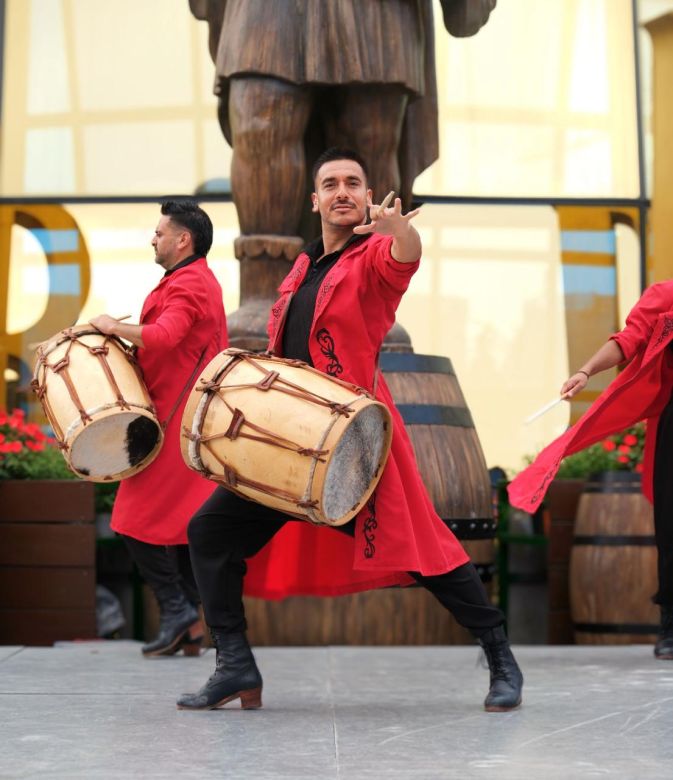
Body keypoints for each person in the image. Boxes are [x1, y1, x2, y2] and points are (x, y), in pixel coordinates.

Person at [177, 148, 523, 712]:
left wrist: (399, 235)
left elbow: (403, 261)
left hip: (353, 445)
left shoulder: (374, 258)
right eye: (331, 183)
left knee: (420, 551)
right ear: (314, 200)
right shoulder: (301, 267)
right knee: (210, 531)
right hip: (287, 442)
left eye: (354, 183)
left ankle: (500, 654)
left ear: (367, 197)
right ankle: (235, 664)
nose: (343, 191)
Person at [189, 0, 497, 347]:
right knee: (262, 122)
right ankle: (263, 293)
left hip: (376, 13)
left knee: (371, 132)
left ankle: (364, 292)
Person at [89, 200, 227, 657]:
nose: (153, 238)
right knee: (186, 529)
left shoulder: (190, 282)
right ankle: (188, 626)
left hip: (176, 422)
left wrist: (112, 326)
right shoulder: (189, 279)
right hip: (182, 421)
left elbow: (166, 336)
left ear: (182, 240)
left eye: (159, 232)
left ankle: (176, 610)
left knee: (129, 519)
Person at [508, 281, 673, 659]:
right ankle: (671, 624)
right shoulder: (665, 294)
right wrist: (586, 372)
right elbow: (628, 339)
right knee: (671, 526)